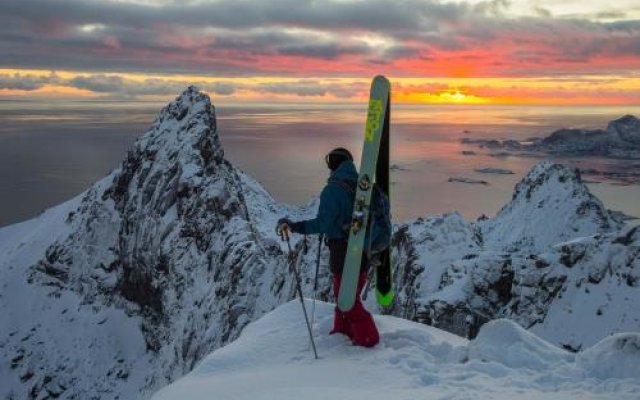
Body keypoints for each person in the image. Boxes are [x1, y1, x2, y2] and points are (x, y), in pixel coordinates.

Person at [277, 147, 380, 348]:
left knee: (346, 298)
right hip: (364, 251)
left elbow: (323, 224)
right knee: (346, 295)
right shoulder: (361, 186)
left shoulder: (333, 190)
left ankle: (368, 339)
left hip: (343, 251)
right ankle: (342, 332)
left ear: (334, 164)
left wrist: (296, 226)